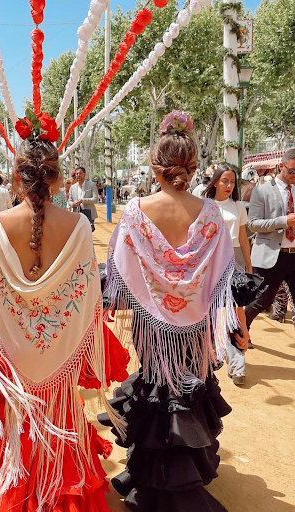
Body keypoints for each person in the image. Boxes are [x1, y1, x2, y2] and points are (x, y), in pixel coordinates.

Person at [0, 117, 129, 512]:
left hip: (13, 360)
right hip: (61, 361)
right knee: (63, 424)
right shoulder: (79, 226)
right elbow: (87, 298)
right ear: (58, 178)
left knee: (17, 428)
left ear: (17, 178)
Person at [98, 110, 247, 512]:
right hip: (196, 330)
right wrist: (237, 328)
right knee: (189, 392)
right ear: (193, 166)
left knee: (156, 389)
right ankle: (184, 481)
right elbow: (225, 278)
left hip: (151, 329)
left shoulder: (135, 212)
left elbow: (119, 270)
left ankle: (153, 483)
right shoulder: (212, 214)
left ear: (155, 166)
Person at [204, 165, 252, 384]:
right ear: (215, 181)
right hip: (209, 260)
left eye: (232, 181)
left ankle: (237, 364)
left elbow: (243, 239)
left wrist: (248, 267)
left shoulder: (238, 206)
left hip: (234, 261)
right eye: (224, 180)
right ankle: (206, 358)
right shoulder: (204, 205)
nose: (229, 185)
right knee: (209, 313)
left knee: (235, 312)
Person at [245, 148, 295, 330]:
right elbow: (253, 224)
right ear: (281, 166)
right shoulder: (262, 191)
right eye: (292, 170)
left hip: (294, 255)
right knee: (262, 300)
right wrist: (284, 221)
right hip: (272, 256)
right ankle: (239, 331)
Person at [68, 166, 98, 232]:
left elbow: (95, 199)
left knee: (88, 233)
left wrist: (83, 200)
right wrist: (73, 204)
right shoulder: (72, 187)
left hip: (89, 214)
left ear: (85, 174)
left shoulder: (92, 185)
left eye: (80, 173)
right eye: (77, 174)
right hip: (76, 214)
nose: (78, 175)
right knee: (78, 233)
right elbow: (69, 201)